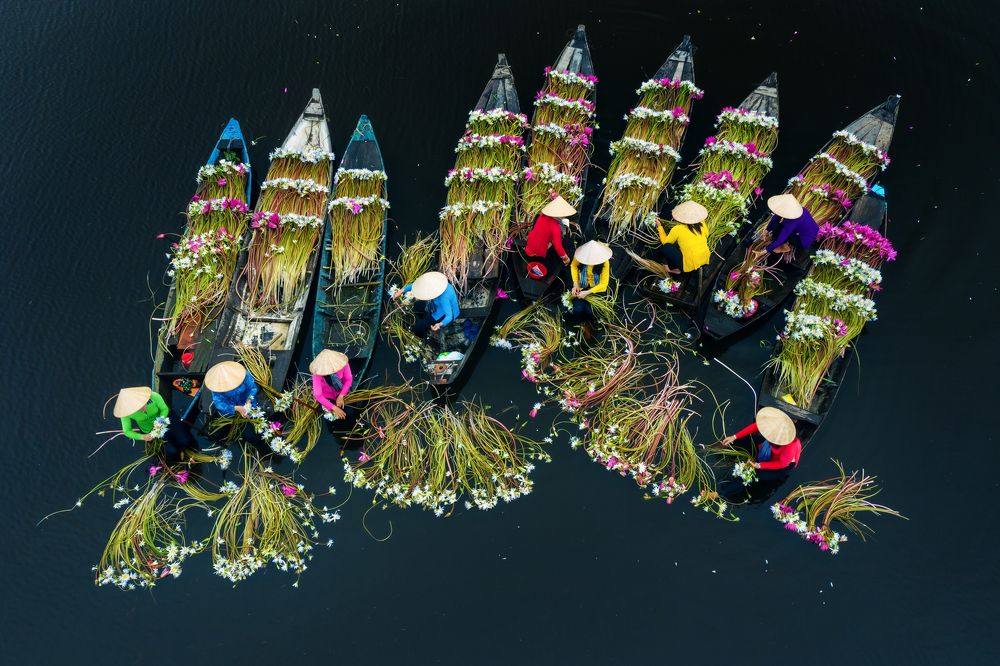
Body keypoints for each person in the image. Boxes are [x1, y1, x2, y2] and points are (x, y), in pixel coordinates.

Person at [113, 386, 197, 460]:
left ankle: (192, 452)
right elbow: (127, 431)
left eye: (142, 404)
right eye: (136, 408)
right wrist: (142, 437)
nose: (141, 408)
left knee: (186, 441)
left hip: (166, 419)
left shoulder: (154, 396)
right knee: (172, 452)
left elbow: (164, 409)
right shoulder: (126, 413)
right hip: (151, 430)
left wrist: (160, 422)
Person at [722, 406, 802, 474]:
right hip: (772, 449)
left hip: (782, 463)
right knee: (742, 441)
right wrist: (735, 436)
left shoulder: (791, 447)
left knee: (758, 474)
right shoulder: (774, 423)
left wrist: (760, 465)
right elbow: (757, 426)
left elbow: (781, 463)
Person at [394, 270, 460, 336]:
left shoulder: (444, 298)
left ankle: (423, 327)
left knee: (417, 328)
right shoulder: (437, 283)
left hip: (442, 314)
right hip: (435, 304)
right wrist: (401, 291)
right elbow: (416, 285)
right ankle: (424, 318)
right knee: (417, 305)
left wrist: (440, 324)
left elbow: (449, 316)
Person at [655, 200, 710, 275]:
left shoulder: (678, 229)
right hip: (704, 259)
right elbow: (706, 235)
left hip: (689, 266)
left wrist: (659, 227)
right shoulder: (702, 224)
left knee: (666, 247)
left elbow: (665, 242)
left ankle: (671, 269)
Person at [568, 240, 613, 324]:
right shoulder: (579, 255)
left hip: (596, 287)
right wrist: (575, 284)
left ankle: (590, 325)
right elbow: (573, 266)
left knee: (590, 311)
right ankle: (578, 325)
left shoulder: (604, 262)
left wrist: (587, 292)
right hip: (582, 283)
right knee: (578, 309)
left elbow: (603, 284)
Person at [525, 195, 574, 268]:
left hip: (530, 242)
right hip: (537, 250)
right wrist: (566, 258)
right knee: (558, 244)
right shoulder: (555, 226)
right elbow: (558, 247)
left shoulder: (542, 215)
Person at [310, 349, 351, 421]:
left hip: (340, 389)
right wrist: (334, 408)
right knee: (335, 417)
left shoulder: (343, 364)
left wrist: (341, 395)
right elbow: (318, 395)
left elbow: (348, 380)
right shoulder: (317, 373)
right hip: (327, 394)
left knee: (350, 412)